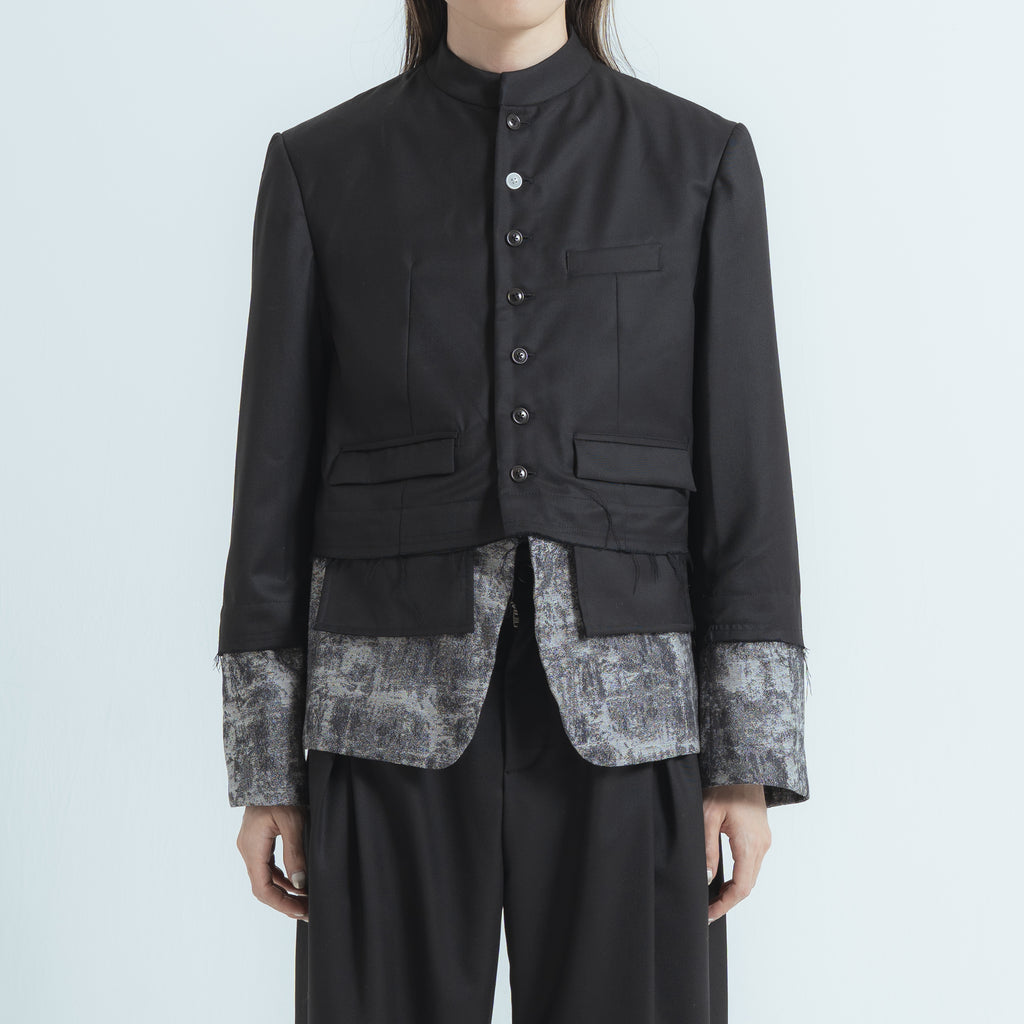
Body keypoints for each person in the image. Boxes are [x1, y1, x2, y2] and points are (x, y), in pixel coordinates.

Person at [214, 2, 811, 1021]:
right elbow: (270, 475)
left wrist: (745, 762)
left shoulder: (695, 160)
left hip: (631, 713)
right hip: (384, 709)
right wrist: (264, 763)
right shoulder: (323, 166)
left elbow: (745, 467)